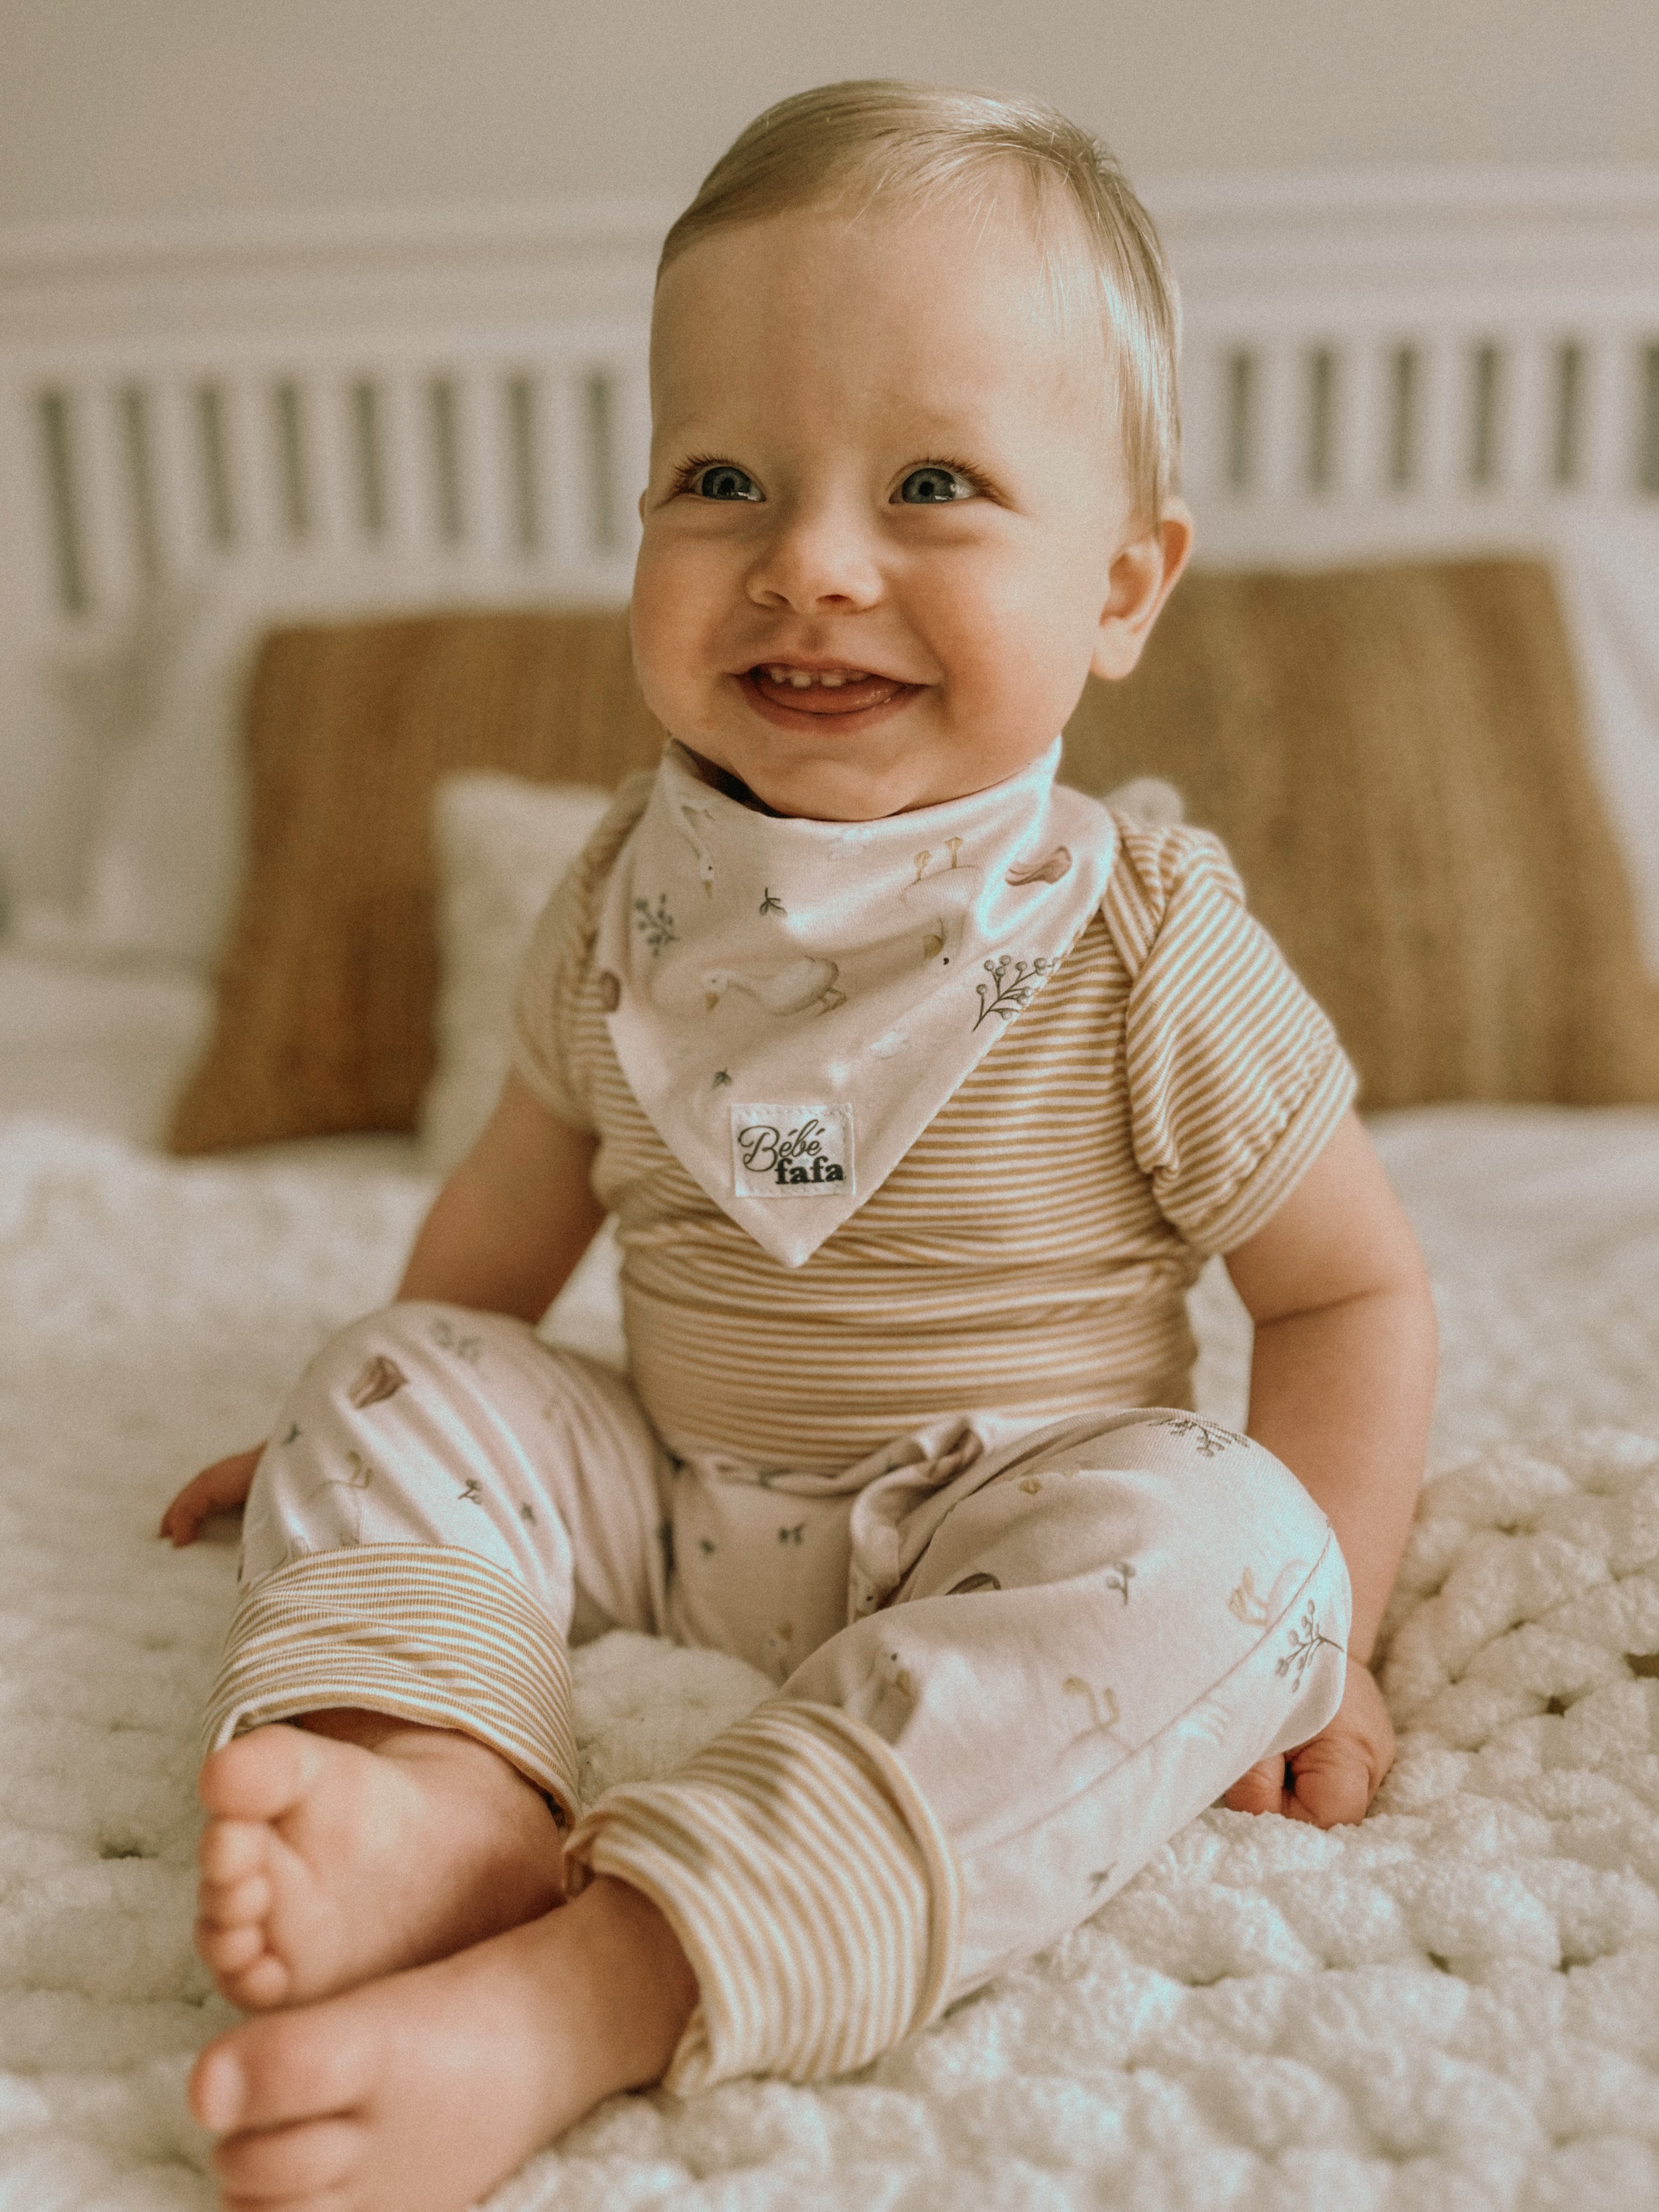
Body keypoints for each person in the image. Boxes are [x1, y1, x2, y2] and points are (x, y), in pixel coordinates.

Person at [160, 80, 1436, 2212]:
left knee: (1241, 1542)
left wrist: (1338, 1633)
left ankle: (611, 1979)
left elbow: (1350, 1290)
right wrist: (365, 1439)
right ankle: (447, 1776)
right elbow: (510, 1201)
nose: (812, 564)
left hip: (1016, 1522)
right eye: (721, 477)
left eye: (934, 483)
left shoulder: (1137, 948)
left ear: (1124, 587)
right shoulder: (625, 902)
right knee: (393, 1373)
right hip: (674, 1497)